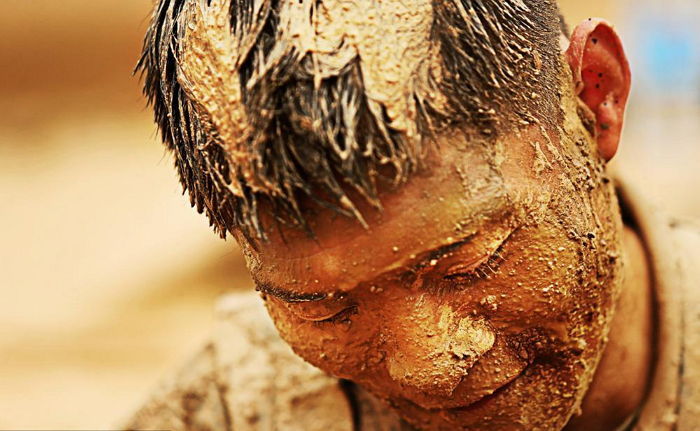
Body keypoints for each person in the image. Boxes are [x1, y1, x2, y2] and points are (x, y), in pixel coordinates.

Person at [127, 0, 700, 429]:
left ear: (596, 96)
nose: (430, 368)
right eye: (329, 312)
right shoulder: (227, 414)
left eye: (467, 265)